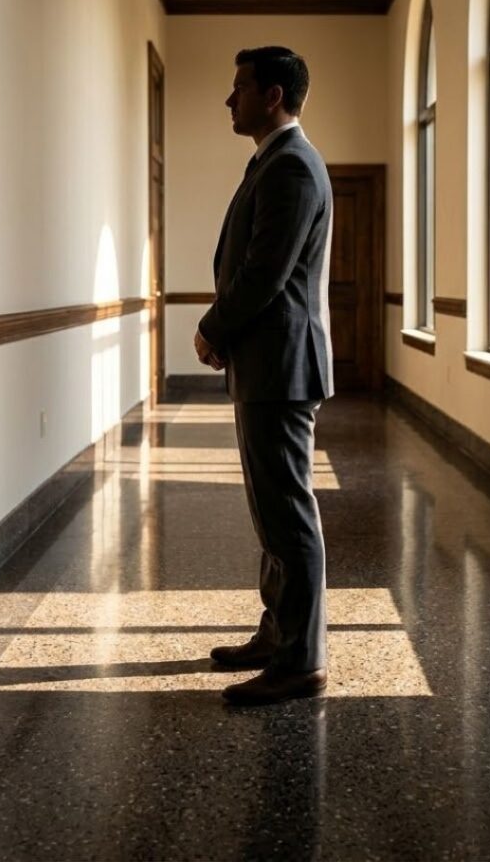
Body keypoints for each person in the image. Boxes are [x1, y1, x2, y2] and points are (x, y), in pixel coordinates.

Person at [194, 46, 334, 706]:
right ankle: (278, 633)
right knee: (271, 512)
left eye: (240, 87)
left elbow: (265, 273)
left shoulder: (292, 167)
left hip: (281, 366)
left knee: (287, 514)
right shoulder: (273, 162)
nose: (231, 99)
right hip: (266, 363)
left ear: (272, 95)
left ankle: (301, 661)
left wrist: (213, 328)